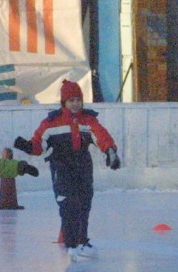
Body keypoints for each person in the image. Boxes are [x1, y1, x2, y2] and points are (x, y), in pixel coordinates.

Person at [13, 79, 120, 262]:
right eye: (71, 101)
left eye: (78, 100)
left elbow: (101, 136)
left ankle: (82, 242)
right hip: (61, 167)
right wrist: (28, 147)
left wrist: (110, 152)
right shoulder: (51, 122)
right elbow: (39, 145)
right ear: (64, 102)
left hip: (83, 166)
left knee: (84, 204)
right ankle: (70, 244)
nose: (75, 104)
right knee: (69, 205)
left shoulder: (88, 119)